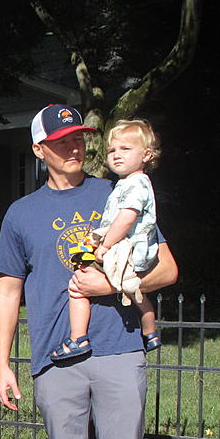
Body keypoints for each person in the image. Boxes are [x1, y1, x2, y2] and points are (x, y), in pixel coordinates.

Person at [0, 104, 178, 439]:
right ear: (39, 149)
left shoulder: (119, 191)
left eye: (80, 138)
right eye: (63, 140)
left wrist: (111, 282)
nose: (75, 147)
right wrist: (3, 363)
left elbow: (166, 268)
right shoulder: (20, 214)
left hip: (118, 350)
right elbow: (9, 291)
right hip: (56, 358)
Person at [51, 119, 162, 362]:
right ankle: (151, 332)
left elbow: (125, 219)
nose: (116, 155)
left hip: (124, 246)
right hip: (129, 245)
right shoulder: (128, 183)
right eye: (112, 150)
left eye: (125, 149)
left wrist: (105, 246)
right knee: (133, 288)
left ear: (146, 155)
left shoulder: (135, 184)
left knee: (77, 286)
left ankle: (78, 338)